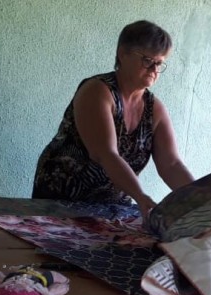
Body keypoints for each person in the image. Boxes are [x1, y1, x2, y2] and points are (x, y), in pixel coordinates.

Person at [32, 20, 194, 221]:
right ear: (122, 53)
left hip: (112, 205)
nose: (154, 68)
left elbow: (171, 164)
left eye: (159, 62)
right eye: (147, 60)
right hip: (62, 197)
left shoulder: (155, 110)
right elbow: (105, 154)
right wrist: (141, 196)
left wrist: (200, 200)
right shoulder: (97, 91)